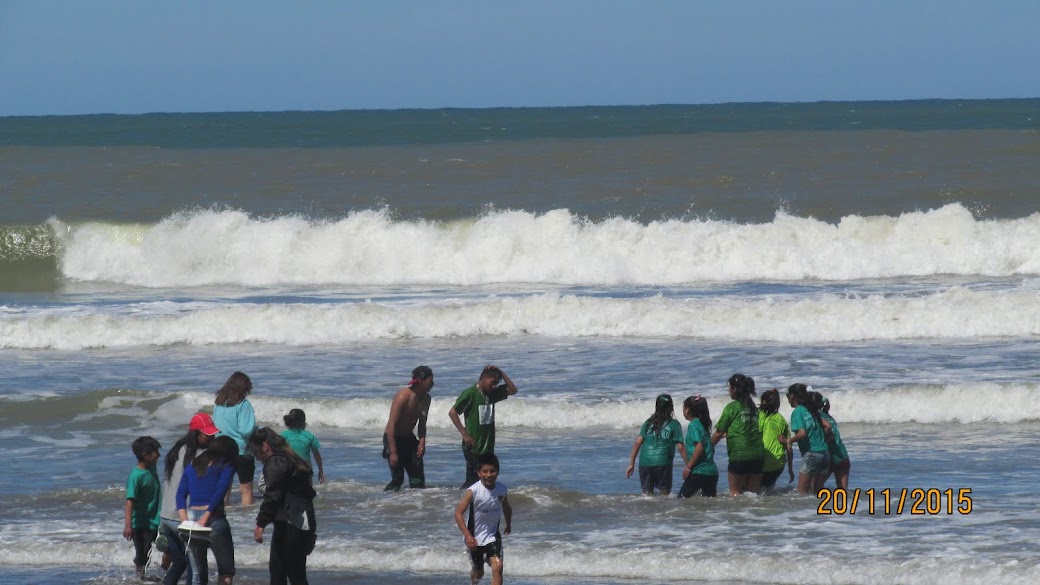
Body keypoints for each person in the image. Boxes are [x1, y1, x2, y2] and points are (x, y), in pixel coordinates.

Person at [249, 427, 318, 585]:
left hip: (293, 521)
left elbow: (272, 495)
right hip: (299, 520)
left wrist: (261, 523)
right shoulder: (291, 458)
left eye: (257, 453)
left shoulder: (277, 462)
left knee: (289, 575)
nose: (258, 458)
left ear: (265, 446)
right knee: (286, 573)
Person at [159, 412, 220, 585]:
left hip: (166, 516)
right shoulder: (201, 455)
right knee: (197, 571)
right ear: (196, 434)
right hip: (182, 517)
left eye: (213, 433)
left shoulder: (177, 449)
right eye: (207, 434)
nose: (212, 437)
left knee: (179, 563)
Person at [176, 435, 239, 585]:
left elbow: (180, 494)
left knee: (198, 573)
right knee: (226, 570)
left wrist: (184, 520)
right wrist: (206, 516)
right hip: (213, 517)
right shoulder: (226, 464)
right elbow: (221, 489)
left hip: (191, 519)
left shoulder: (192, 465)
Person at [448, 365, 519, 488]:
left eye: (496, 384)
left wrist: (500, 372)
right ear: (483, 378)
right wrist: (465, 435)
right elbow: (452, 412)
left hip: (488, 444)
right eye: (492, 383)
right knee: (473, 480)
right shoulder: (470, 393)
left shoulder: (492, 394)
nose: (494, 386)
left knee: (487, 480)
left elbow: (513, 390)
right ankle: (461, 501)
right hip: (473, 445)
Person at [453, 453, 512, 585]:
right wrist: (468, 536)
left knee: (498, 566)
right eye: (484, 471)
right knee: (479, 572)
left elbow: (507, 507)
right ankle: (473, 581)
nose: (488, 475)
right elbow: (458, 514)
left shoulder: (501, 490)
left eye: (492, 471)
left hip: (492, 536)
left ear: (497, 472)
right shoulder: (473, 491)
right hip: (474, 538)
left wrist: (508, 524)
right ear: (479, 473)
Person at [711, 374, 765, 496]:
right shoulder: (753, 408)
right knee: (753, 495)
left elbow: (719, 432)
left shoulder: (731, 407)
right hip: (758, 454)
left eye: (729, 387)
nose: (728, 390)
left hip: (739, 455)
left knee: (736, 495)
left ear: (734, 389)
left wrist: (708, 447)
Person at [383, 365, 434, 491]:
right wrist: (393, 453)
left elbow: (422, 424)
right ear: (421, 381)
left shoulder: (427, 399)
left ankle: (416, 506)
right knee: (398, 480)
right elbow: (391, 425)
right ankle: (384, 504)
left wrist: (422, 442)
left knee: (418, 481)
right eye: (430, 380)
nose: (433, 383)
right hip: (393, 438)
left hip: (409, 438)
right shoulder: (403, 396)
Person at [625, 394, 687, 496]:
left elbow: (637, 444)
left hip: (645, 463)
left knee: (647, 495)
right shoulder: (674, 424)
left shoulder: (648, 423)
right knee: (664, 495)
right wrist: (689, 465)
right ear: (671, 408)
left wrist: (631, 464)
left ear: (656, 407)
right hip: (663, 463)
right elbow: (680, 447)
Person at [212, 371, 257, 506]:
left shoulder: (218, 402)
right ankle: (246, 518)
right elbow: (246, 430)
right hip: (241, 450)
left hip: (221, 449)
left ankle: (225, 515)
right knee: (246, 490)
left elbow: (216, 425)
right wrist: (256, 429)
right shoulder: (243, 405)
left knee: (224, 488)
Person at [783, 384, 833, 495]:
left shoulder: (797, 412)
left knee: (801, 493)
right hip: (825, 453)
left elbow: (802, 433)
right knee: (817, 492)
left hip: (811, 454)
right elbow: (828, 426)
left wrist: (788, 441)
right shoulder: (811, 408)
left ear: (792, 396)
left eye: (787, 395)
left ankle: (806, 512)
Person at [124, 436, 162, 579]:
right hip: (140, 523)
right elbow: (129, 501)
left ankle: (152, 573)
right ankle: (139, 577)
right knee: (143, 552)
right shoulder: (136, 476)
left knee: (153, 548)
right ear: (146, 455)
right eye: (155, 452)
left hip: (154, 519)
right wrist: (128, 526)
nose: (158, 455)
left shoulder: (151, 466)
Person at [677, 395, 718, 498]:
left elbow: (699, 447)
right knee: (708, 506)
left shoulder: (694, 425)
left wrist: (688, 468)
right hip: (712, 472)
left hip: (699, 472)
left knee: (681, 499)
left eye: (683, 407)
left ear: (687, 410)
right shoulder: (703, 426)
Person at [758, 388, 794, 491]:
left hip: (761, 463)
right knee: (768, 490)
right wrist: (790, 469)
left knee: (751, 491)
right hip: (778, 465)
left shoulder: (757, 415)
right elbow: (789, 446)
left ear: (763, 402)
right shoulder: (781, 419)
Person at [281, 409, 325, 485]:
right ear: (303, 422)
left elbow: (278, 452)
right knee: (307, 493)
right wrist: (320, 470)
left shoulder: (283, 435)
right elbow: (316, 455)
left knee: (290, 492)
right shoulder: (309, 436)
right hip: (306, 468)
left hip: (289, 467)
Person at [817, 394, 851, 490]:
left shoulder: (817, 416)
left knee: (814, 490)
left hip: (830, 458)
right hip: (843, 456)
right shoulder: (829, 417)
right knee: (843, 492)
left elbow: (828, 436)